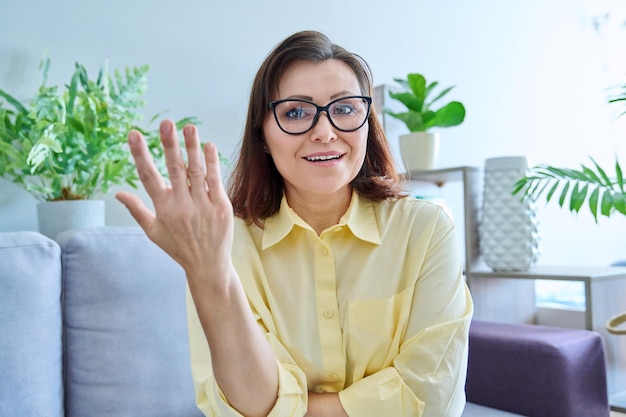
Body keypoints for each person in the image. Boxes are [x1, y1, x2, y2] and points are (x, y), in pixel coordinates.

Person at [116, 30, 473, 417]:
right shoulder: (224, 243)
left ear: (368, 123)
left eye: (345, 108)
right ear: (263, 137)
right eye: (296, 112)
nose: (324, 131)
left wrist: (288, 408)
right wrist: (210, 276)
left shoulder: (427, 230)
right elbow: (245, 401)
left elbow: (433, 398)